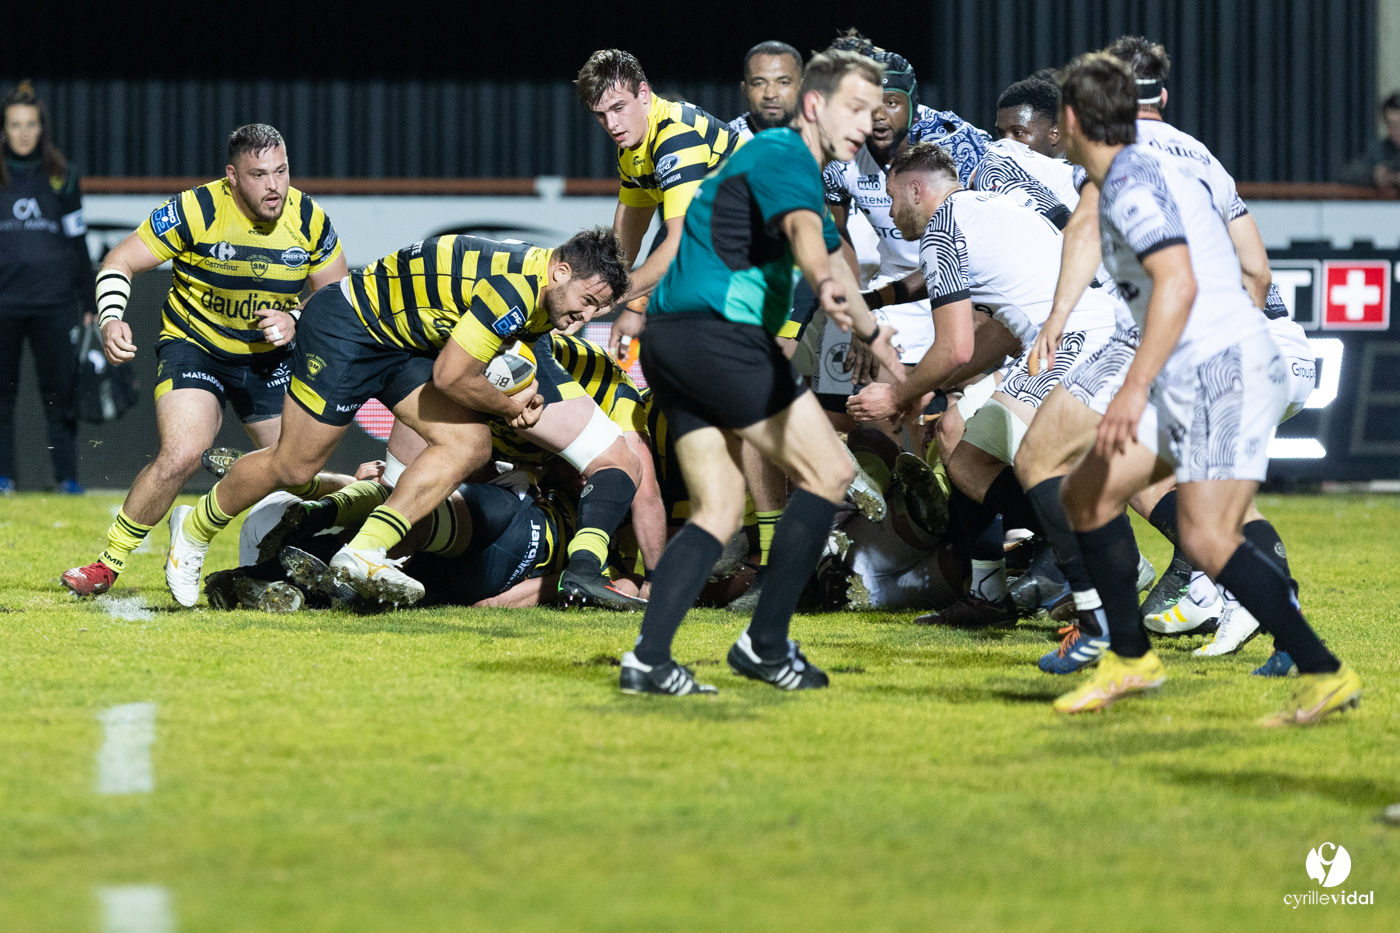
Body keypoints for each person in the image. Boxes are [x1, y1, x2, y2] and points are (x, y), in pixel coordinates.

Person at [1048, 52, 1360, 724]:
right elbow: (1248, 265)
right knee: (1088, 490)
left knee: (1209, 536)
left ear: (1071, 118)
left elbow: (1180, 283)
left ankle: (1323, 669)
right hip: (1203, 366)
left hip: (1222, 369)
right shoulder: (1125, 170)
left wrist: (1131, 391)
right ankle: (1130, 658)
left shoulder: (1130, 182)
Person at [620, 48, 904, 696]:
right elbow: (808, 236)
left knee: (719, 508)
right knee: (830, 471)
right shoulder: (785, 155)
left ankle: (648, 657)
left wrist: (890, 360)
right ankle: (766, 643)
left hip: (672, 344)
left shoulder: (789, 166)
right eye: (854, 108)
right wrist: (821, 281)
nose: (868, 121)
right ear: (815, 106)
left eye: (876, 108)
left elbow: (837, 265)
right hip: (719, 337)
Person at [169, 229, 640, 612]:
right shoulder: (514, 287)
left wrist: (519, 397)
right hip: (349, 328)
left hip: (399, 347)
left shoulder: (544, 288)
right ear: (561, 272)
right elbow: (453, 377)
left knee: (468, 445)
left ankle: (365, 550)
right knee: (294, 467)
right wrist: (510, 404)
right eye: (589, 299)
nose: (589, 314)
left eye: (601, 309)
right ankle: (194, 527)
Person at [846, 141, 1124, 630]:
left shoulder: (943, 230)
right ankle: (990, 596)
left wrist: (897, 395)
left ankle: (1107, 577)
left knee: (1034, 464)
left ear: (916, 189)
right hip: (1095, 333)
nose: (891, 213)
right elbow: (988, 341)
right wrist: (915, 391)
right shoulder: (993, 206)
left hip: (1075, 341)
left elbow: (954, 347)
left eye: (892, 199)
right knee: (967, 449)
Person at [61, 124, 345, 597]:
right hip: (197, 347)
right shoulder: (195, 210)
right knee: (182, 454)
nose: (275, 186)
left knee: (297, 472)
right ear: (232, 177)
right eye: (259, 175)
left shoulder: (311, 219)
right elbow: (119, 262)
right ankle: (106, 565)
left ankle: (338, 486)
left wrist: (296, 315)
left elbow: (336, 300)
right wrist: (111, 319)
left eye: (282, 171)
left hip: (266, 359)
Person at [577, 49, 742, 359]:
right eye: (601, 114)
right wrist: (579, 295)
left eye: (618, 107)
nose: (612, 124)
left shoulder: (677, 137)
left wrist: (606, 297)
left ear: (643, 92)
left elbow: (680, 244)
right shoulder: (632, 147)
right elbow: (623, 248)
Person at [0, 82, 95, 496]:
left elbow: (78, 244)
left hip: (56, 304)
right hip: (3, 304)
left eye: (31, 124)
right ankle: (3, 479)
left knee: (60, 396)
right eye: (15, 125)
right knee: (2, 400)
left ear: (42, 128)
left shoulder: (63, 175)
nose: (23, 133)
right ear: (4, 130)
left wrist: (90, 301)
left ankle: (67, 479)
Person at [727, 41, 804, 141]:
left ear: (802, 88)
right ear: (744, 90)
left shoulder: (822, 143)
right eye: (759, 83)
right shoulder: (721, 146)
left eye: (783, 83)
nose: (770, 94)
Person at [1337, 91, 1400, 190]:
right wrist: (1374, 176)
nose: (1392, 131)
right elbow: (1347, 175)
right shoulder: (1380, 149)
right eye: (1389, 124)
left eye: (1397, 125)